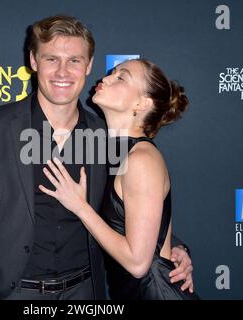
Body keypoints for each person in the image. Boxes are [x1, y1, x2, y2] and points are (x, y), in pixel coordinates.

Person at [0, 15, 194, 300]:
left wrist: (173, 249)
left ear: (88, 66)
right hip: (10, 293)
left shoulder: (108, 138)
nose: (63, 71)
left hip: (84, 293)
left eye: (74, 60)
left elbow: (131, 207)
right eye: (51, 59)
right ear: (34, 62)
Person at [39, 58, 199, 299]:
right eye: (112, 73)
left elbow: (137, 263)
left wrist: (80, 206)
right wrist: (178, 247)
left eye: (121, 77)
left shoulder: (141, 160)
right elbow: (144, 226)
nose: (105, 79)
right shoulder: (115, 151)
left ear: (142, 102)